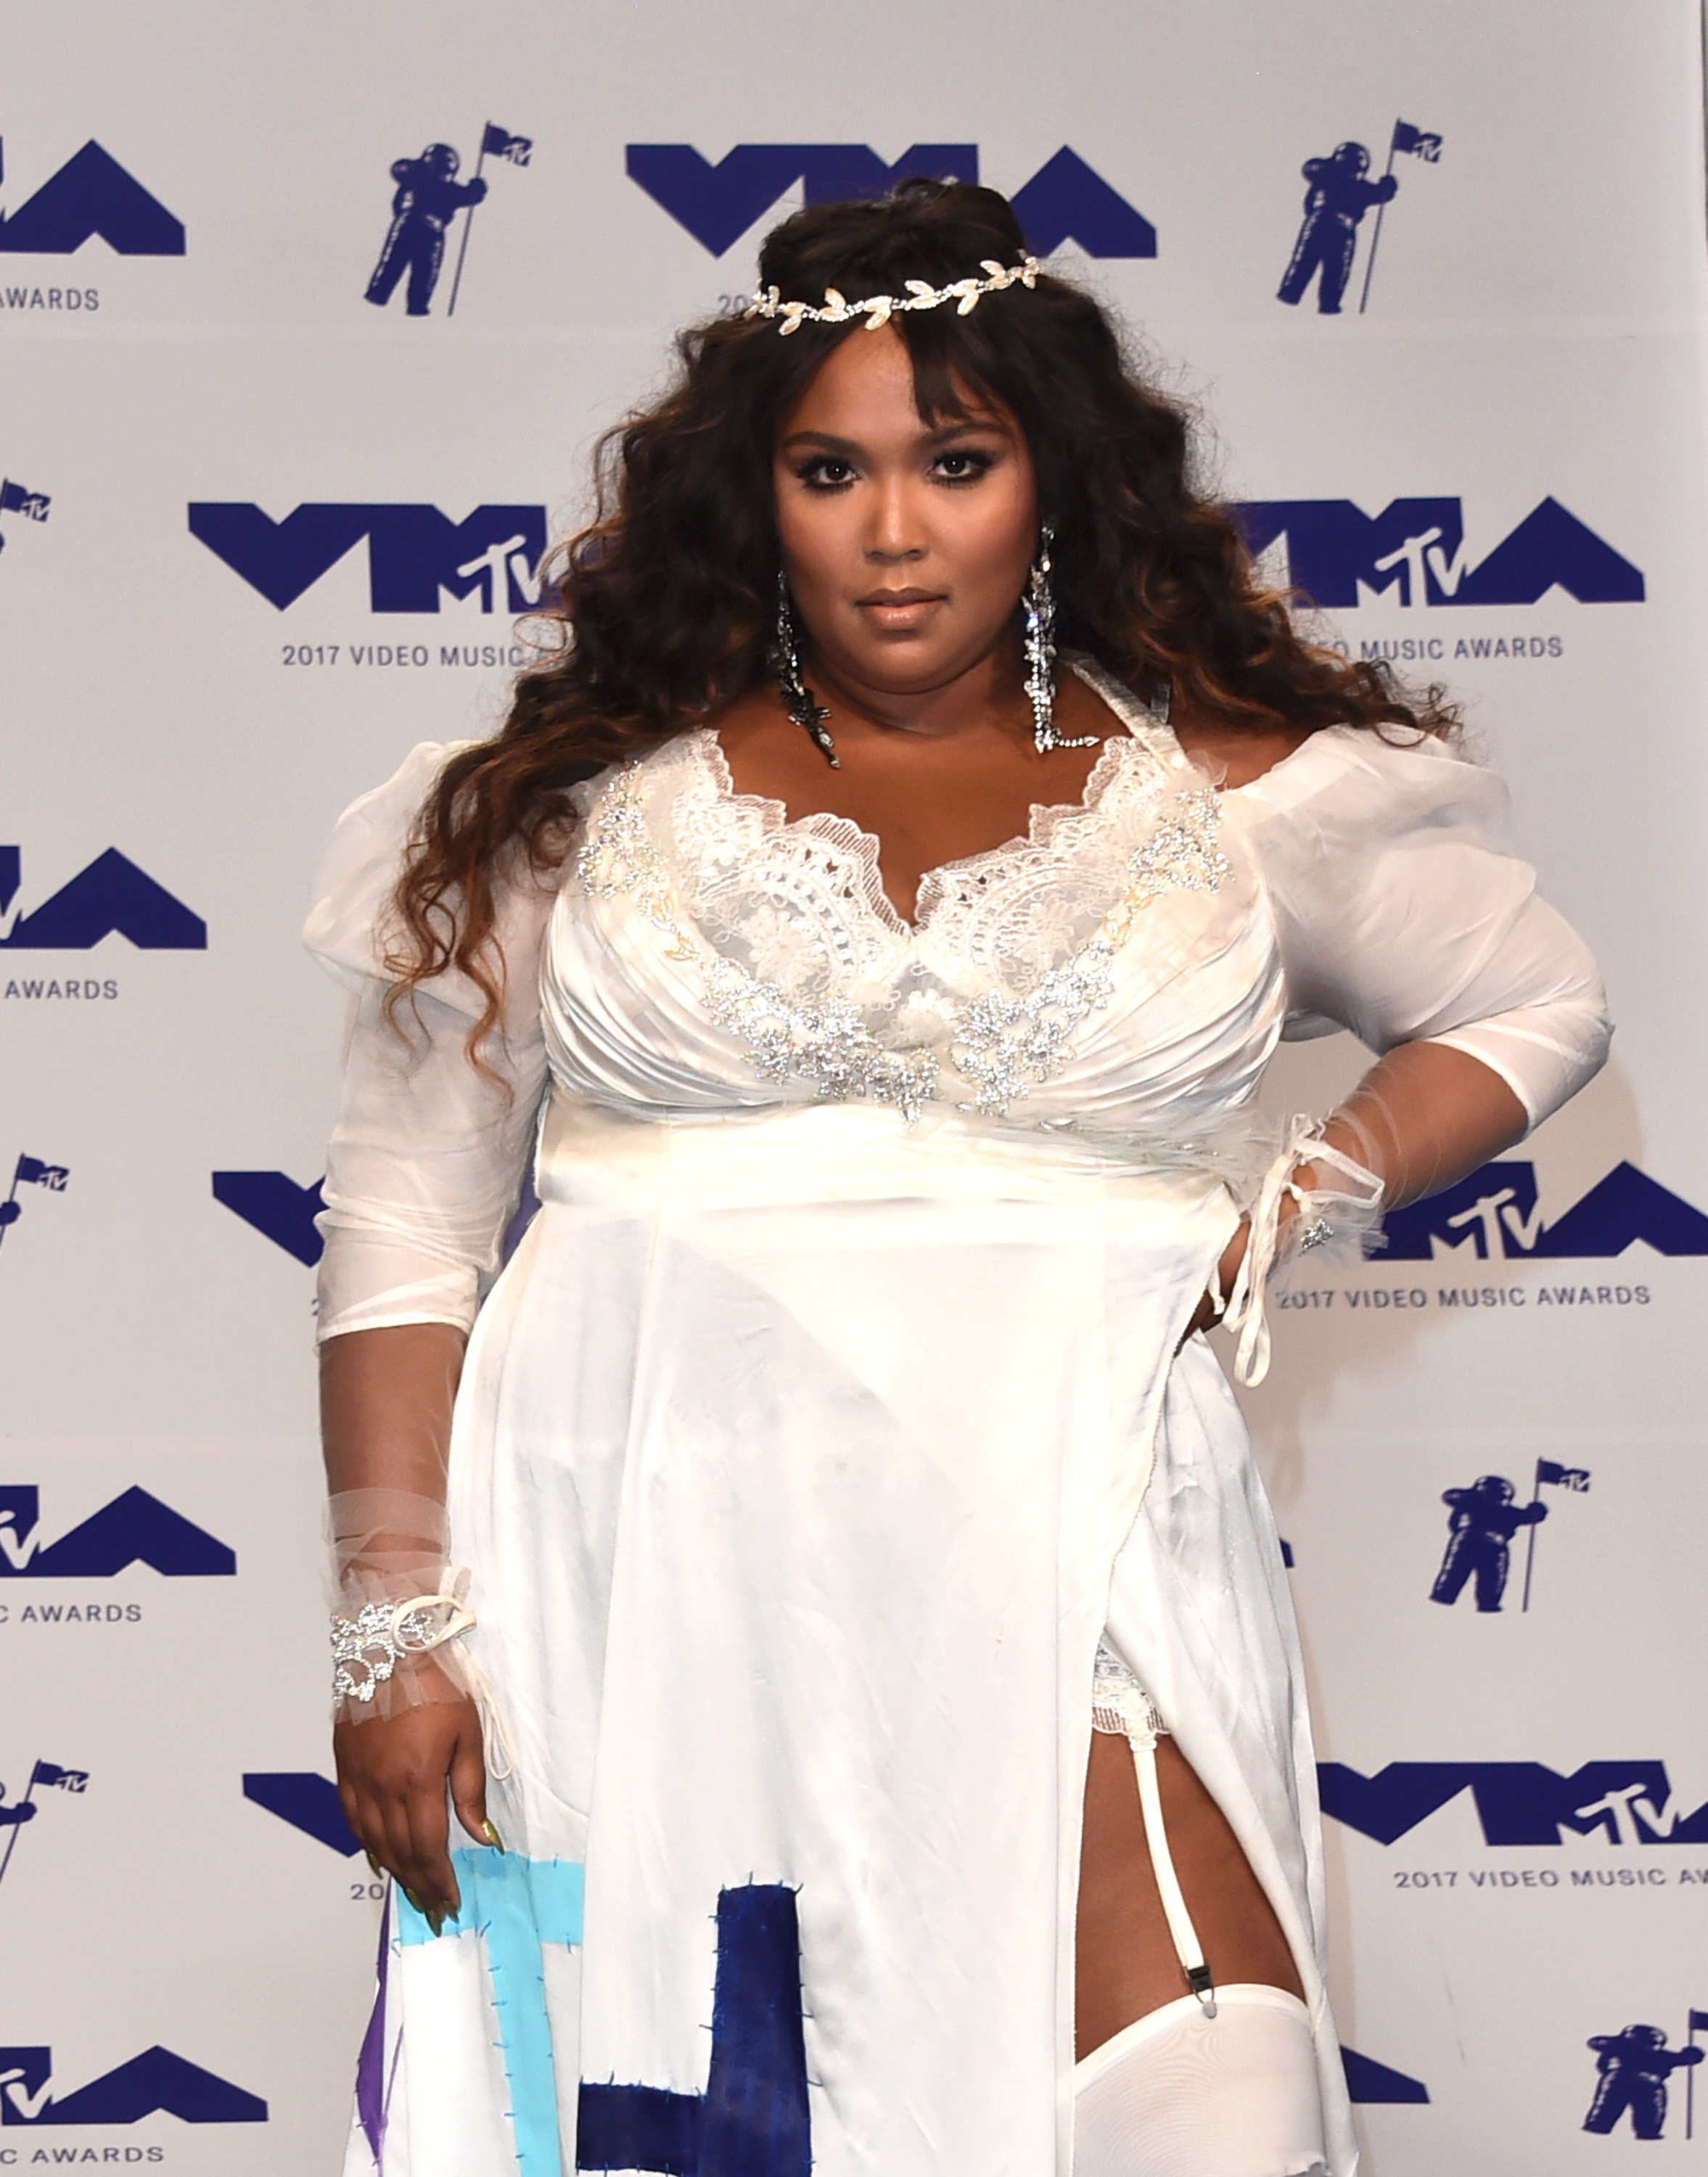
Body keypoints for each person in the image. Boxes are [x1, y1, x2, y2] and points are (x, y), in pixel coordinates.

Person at [308, 180, 1609, 2177]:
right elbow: (404, 1221)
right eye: (832, 470)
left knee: (1221, 2101)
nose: (895, 531)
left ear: (1051, 478)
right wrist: (397, 1630)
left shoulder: (1226, 790)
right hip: (660, 1574)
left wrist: (1274, 1212)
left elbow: (1527, 999)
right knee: (725, 2116)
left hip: (1074, 1538)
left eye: (957, 462)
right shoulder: (570, 800)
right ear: (758, 489)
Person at [364, 144, 485, 318]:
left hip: (410, 223)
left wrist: (477, 189)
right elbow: (470, 196)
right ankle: (414, 304)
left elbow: (398, 169)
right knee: (423, 270)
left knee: (398, 264)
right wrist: (477, 188)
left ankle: (383, 294)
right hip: (428, 229)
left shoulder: (416, 176)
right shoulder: (440, 185)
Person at [1276, 144, 1397, 316]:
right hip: (1326, 221)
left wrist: (1388, 186)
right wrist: (1388, 186)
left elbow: (1380, 194)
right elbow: (1310, 168)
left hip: (1336, 225)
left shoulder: (1352, 184)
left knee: (1333, 267)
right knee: (1312, 261)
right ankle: (1302, 295)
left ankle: (1323, 301)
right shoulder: (1329, 175)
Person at [1429, 1474, 1545, 1612]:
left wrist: (1536, 1511)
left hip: (1477, 1542)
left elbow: (1449, 1497)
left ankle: (1450, 1598)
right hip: (1480, 1543)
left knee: (1478, 1578)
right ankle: (1476, 1603)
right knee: (1477, 1578)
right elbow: (1529, 1516)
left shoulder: (1470, 1502)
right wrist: (1536, 1510)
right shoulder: (1475, 1503)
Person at [1583, 2025, 1702, 2139]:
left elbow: (1595, 2042)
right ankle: (1647, 2132)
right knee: (1649, 2113)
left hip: (1618, 2078)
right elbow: (1684, 2058)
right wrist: (1691, 2054)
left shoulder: (1616, 2045)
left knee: (1607, 2108)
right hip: (1648, 2083)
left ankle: (1598, 2126)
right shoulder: (1660, 2055)